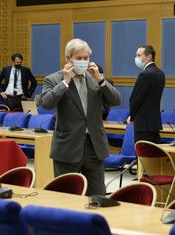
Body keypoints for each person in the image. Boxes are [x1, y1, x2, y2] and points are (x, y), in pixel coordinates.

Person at [37, 39, 121, 196]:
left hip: (94, 146)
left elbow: (116, 100)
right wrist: (65, 82)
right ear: (69, 58)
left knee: (97, 196)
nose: (83, 61)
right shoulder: (54, 79)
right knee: (66, 196)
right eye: (79, 58)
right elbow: (45, 104)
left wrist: (101, 80)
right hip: (68, 147)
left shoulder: (95, 78)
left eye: (86, 58)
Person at [129, 45, 165, 144]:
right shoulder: (160, 74)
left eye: (139, 55)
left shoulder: (144, 75)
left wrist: (132, 116)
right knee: (153, 156)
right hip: (154, 123)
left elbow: (135, 99)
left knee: (142, 157)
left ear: (149, 56)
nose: (136, 58)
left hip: (142, 124)